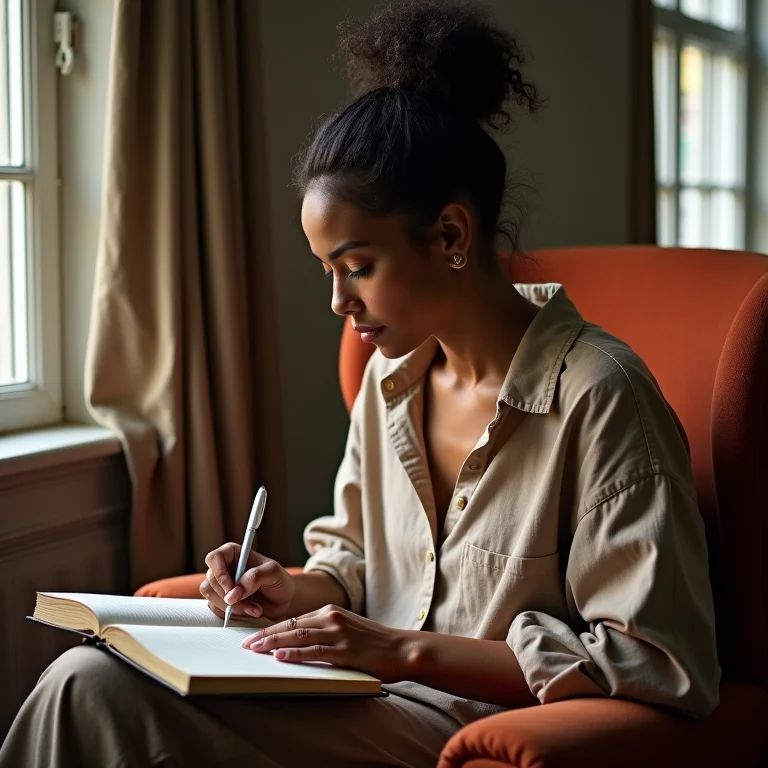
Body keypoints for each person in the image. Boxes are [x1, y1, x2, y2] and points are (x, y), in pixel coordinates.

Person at [0, 1, 720, 766]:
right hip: (357, 698)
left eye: (358, 267)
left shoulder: (601, 398)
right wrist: (288, 591)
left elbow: (656, 661)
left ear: (451, 235)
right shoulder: (390, 382)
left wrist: (404, 651)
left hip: (471, 729)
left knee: (93, 693)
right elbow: (351, 562)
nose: (339, 303)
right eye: (328, 271)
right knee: (87, 677)